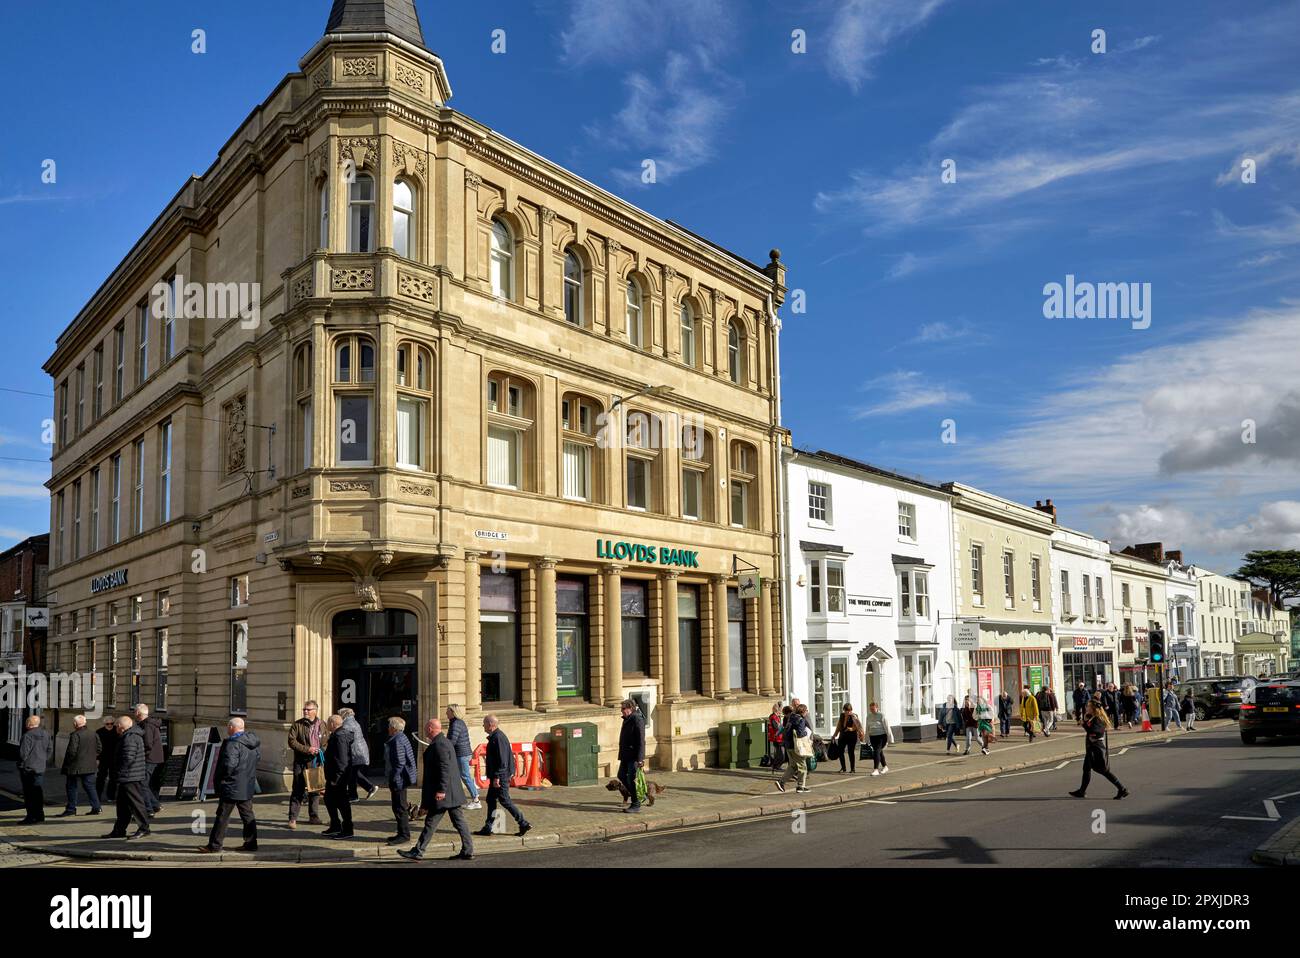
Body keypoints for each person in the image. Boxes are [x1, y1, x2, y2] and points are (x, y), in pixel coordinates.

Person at [399, 718, 475, 861]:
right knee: (458, 822)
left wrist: (441, 790)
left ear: (431, 729)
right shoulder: (442, 742)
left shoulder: (440, 744)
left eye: (427, 728)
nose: (425, 730)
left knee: (432, 822)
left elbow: (444, 769)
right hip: (450, 793)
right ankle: (468, 850)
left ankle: (418, 851)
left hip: (444, 794)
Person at [199, 717, 261, 853]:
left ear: (232, 728)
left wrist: (222, 779)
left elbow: (228, 765)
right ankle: (251, 843)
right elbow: (257, 759)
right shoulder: (253, 742)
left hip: (231, 785)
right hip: (246, 785)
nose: (227, 729)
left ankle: (215, 845)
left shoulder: (233, 743)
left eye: (228, 727)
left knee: (222, 816)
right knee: (247, 815)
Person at [477, 715, 531, 835]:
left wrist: (497, 777)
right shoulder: (495, 737)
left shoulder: (498, 738)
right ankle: (488, 827)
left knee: (505, 800)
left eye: (484, 723)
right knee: (490, 799)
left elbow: (502, 761)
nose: (483, 726)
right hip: (498, 776)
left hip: (500, 776)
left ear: (491, 725)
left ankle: (523, 823)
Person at [1069, 700, 1128, 800]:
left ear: (1093, 708)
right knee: (1087, 769)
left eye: (1088, 706)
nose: (1086, 708)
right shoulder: (1094, 718)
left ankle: (1122, 789)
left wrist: (1085, 725)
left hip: (1096, 749)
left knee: (1104, 771)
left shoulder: (1098, 719)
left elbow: (1096, 732)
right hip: (1093, 748)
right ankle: (1082, 791)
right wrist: (1086, 722)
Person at [105, 715, 151, 839]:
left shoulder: (130, 738)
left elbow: (128, 758)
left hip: (130, 777)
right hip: (128, 776)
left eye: (116, 726)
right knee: (122, 806)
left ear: (120, 726)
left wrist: (119, 773)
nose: (115, 729)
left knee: (136, 804)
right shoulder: (129, 736)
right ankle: (119, 830)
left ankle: (144, 828)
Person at [287, 700, 327, 829]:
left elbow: (326, 741)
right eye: (304, 709)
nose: (305, 711)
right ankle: (293, 818)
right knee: (297, 790)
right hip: (301, 762)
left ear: (315, 711)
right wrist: (307, 749)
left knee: (314, 791)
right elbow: (292, 742)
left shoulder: (322, 725)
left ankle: (313, 816)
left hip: (315, 762)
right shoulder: (297, 725)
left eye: (308, 709)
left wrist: (321, 750)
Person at [384, 716, 418, 845]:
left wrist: (393, 777)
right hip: (401, 778)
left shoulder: (397, 740)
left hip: (399, 779)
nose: (387, 729)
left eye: (389, 726)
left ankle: (404, 835)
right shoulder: (402, 737)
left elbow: (400, 762)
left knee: (399, 808)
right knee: (399, 806)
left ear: (393, 728)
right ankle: (400, 833)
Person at [60, 714, 102, 817]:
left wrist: (68, 764)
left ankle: (71, 809)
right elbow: (99, 748)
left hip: (75, 767)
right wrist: (91, 757)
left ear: (75, 724)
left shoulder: (75, 735)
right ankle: (96, 807)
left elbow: (71, 752)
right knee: (90, 787)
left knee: (71, 787)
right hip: (90, 766)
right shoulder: (93, 734)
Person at [323, 713, 355, 838]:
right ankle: (335, 825)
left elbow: (342, 759)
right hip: (334, 776)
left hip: (338, 777)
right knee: (329, 799)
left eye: (328, 723)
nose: (326, 725)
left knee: (342, 803)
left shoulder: (340, 736)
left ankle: (347, 829)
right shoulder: (337, 735)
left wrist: (337, 777)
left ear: (332, 724)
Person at [445, 704, 481, 810]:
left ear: (453, 712)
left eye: (448, 711)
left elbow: (452, 740)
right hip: (462, 753)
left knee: (465, 776)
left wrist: (443, 744)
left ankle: (476, 800)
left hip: (462, 754)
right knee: (458, 776)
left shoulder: (456, 724)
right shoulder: (456, 722)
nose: (446, 713)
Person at [18, 715, 51, 825]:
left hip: (28, 768)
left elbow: (23, 754)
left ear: (28, 724)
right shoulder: (46, 734)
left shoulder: (27, 735)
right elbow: (49, 750)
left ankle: (30, 817)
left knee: (29, 794)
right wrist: (43, 759)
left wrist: (22, 763)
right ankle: (40, 815)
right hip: (40, 767)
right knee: (38, 792)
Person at [338, 707, 376, 801]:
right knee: (353, 773)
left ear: (344, 715)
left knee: (352, 774)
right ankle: (369, 788)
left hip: (356, 753)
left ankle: (354, 795)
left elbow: (344, 738)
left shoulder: (347, 724)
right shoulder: (353, 722)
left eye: (340, 715)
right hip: (359, 751)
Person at [134, 704, 165, 816]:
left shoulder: (147, 726)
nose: (134, 713)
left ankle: (149, 808)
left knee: (142, 783)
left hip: (150, 758)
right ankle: (155, 805)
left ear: (138, 713)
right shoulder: (149, 724)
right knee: (145, 783)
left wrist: (139, 754)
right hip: (155, 757)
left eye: (135, 712)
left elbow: (148, 744)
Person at [617, 698, 647, 810]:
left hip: (634, 756)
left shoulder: (637, 719)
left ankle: (636, 803)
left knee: (631, 779)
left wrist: (640, 759)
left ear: (631, 708)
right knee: (621, 775)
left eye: (623, 708)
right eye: (621, 709)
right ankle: (637, 795)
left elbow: (641, 741)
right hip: (626, 755)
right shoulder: (627, 718)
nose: (621, 711)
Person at [776, 703, 812, 792]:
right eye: (806, 710)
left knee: (793, 766)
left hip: (788, 746)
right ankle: (800, 786)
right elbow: (800, 733)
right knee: (802, 766)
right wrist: (806, 733)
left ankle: (781, 782)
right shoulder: (801, 720)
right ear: (803, 711)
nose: (807, 712)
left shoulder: (790, 718)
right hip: (797, 746)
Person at [833, 703, 864, 773]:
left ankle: (852, 769)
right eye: (846, 711)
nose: (848, 712)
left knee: (851, 752)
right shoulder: (842, 715)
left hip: (851, 736)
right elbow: (839, 726)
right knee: (840, 751)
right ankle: (843, 768)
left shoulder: (854, 716)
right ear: (844, 710)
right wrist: (835, 734)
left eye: (849, 710)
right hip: (843, 735)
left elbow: (857, 726)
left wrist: (851, 729)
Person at [865, 702, 894, 774]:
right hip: (872, 736)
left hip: (881, 736)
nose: (872, 710)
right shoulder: (868, 716)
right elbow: (867, 727)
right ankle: (885, 767)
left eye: (873, 709)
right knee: (879, 752)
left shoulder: (881, 715)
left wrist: (891, 738)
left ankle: (876, 769)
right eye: (870, 709)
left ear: (877, 708)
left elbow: (887, 727)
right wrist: (866, 739)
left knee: (876, 751)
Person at [96, 715, 119, 803]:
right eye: (107, 724)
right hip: (103, 758)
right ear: (104, 724)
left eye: (111, 723)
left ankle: (111, 796)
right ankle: (97, 796)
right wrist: (97, 758)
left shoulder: (117, 731)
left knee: (114, 778)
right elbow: (96, 747)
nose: (109, 725)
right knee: (101, 777)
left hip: (114, 758)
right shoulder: (99, 732)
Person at [767, 702, 786, 771]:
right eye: (780, 710)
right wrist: (782, 727)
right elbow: (776, 727)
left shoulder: (775, 716)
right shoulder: (773, 717)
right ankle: (776, 766)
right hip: (777, 738)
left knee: (779, 754)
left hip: (778, 738)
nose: (781, 712)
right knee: (781, 755)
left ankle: (776, 766)